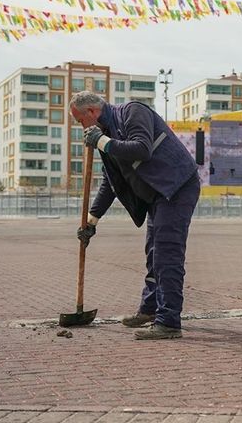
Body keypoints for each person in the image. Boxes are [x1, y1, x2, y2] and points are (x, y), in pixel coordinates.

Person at [70, 92, 200, 340]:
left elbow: (142, 149)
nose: (81, 127)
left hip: (177, 186)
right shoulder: (105, 134)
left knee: (166, 252)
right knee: (153, 253)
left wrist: (103, 142)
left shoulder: (132, 112)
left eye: (79, 121)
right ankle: (150, 309)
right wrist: (91, 221)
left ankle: (169, 321)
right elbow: (111, 183)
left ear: (91, 113)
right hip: (157, 195)